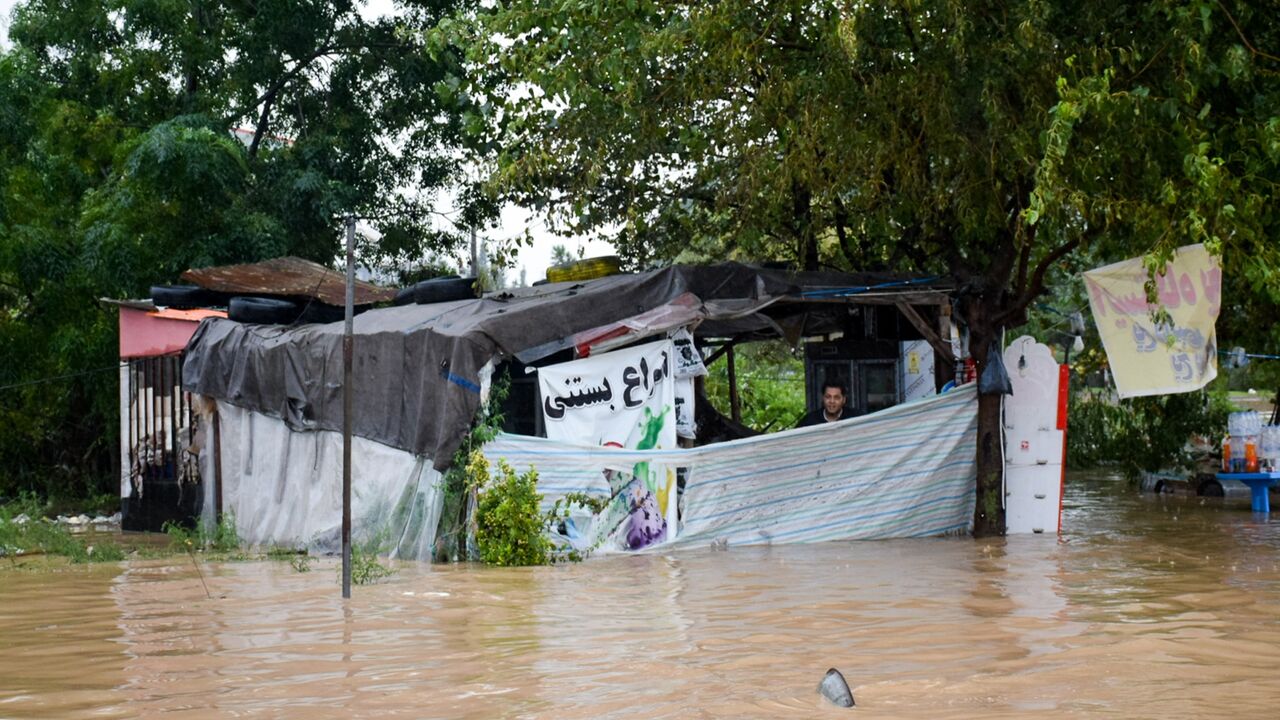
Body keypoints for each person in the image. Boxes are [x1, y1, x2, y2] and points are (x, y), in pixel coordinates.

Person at [796, 380, 860, 427]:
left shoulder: (855, 418)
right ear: (823, 398)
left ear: (844, 400)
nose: (832, 401)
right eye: (828, 397)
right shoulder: (809, 421)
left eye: (836, 397)